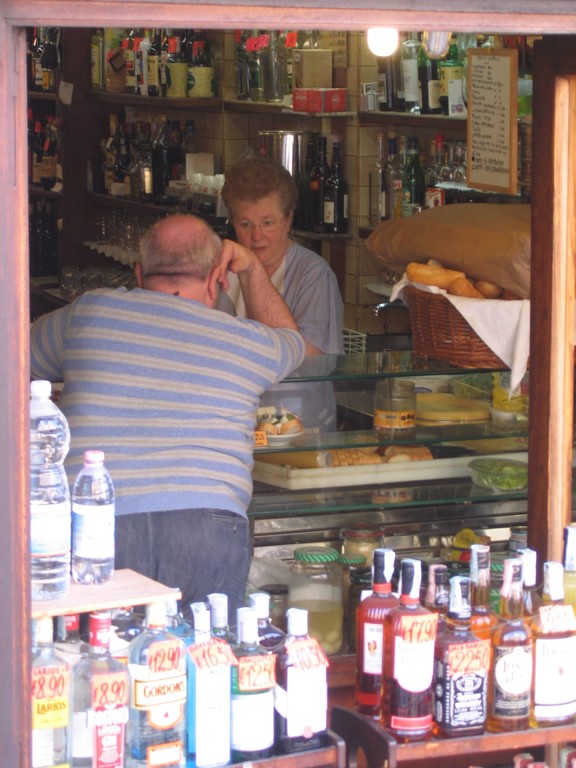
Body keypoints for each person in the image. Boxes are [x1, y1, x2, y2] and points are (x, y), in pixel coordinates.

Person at [30, 214, 306, 618]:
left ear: (138, 274)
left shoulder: (89, 313)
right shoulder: (247, 342)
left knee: (96, 653)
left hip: (98, 522)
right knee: (204, 653)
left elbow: (16, 355)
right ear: (217, 281)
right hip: (209, 528)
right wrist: (251, 268)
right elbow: (293, 341)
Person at [219, 155, 344, 430]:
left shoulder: (314, 275)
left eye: (267, 223)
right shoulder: (221, 270)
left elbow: (314, 363)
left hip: (300, 428)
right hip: (236, 424)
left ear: (288, 220)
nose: (256, 237)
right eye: (245, 224)